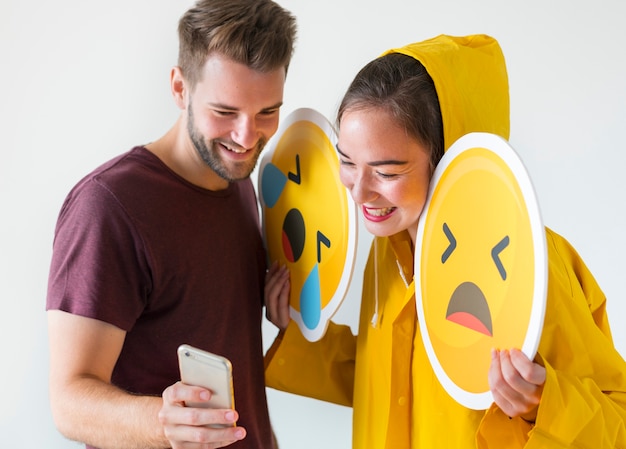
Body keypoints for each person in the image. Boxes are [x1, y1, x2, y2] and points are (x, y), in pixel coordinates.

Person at [264, 34, 626, 448]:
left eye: (386, 172)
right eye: (347, 161)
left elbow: (618, 420)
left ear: (447, 160)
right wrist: (294, 336)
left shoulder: (529, 261)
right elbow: (394, 381)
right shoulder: (388, 250)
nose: (359, 192)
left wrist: (543, 403)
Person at [45, 1, 296, 448]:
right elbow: (68, 400)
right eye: (225, 112)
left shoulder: (240, 185)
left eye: (266, 113)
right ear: (181, 88)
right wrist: (163, 421)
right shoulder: (108, 206)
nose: (246, 136)